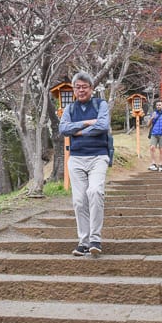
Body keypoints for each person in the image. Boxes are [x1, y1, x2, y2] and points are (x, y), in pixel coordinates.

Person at [58, 71, 111, 256]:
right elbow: (63, 128)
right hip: (76, 158)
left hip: (98, 156)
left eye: (84, 87)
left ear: (91, 88)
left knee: (95, 191)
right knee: (79, 201)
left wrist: (78, 131)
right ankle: (84, 241)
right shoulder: (69, 109)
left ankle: (95, 239)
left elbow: (103, 125)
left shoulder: (100, 104)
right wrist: (88, 123)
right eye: (77, 87)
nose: (81, 90)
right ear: (74, 89)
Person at [147, 100, 162, 172]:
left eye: (160, 105)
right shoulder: (153, 114)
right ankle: (153, 163)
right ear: (155, 106)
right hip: (154, 133)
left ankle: (160, 164)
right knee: (152, 147)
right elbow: (148, 125)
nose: (158, 106)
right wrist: (151, 118)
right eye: (157, 105)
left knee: (161, 149)